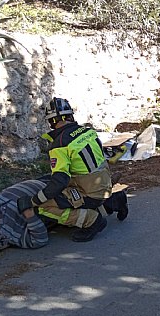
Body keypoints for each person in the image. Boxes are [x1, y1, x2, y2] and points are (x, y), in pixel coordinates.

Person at [17, 97, 128, 242]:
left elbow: (59, 182)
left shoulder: (60, 145)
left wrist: (33, 201)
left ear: (52, 122)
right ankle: (114, 200)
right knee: (78, 193)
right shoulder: (88, 132)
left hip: (90, 192)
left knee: (44, 207)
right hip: (104, 185)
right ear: (71, 116)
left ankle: (92, 221)